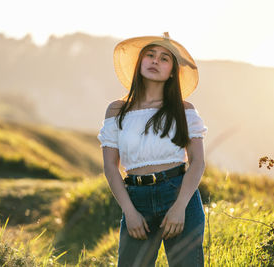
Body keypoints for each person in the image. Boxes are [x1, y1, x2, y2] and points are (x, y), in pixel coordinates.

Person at [97, 32, 207, 267]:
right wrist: (129, 211)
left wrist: (180, 207)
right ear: (140, 64)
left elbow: (197, 162)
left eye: (164, 58)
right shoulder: (117, 110)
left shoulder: (184, 110)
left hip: (178, 193)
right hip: (136, 199)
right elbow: (110, 166)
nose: (155, 61)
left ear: (171, 72)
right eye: (150, 55)